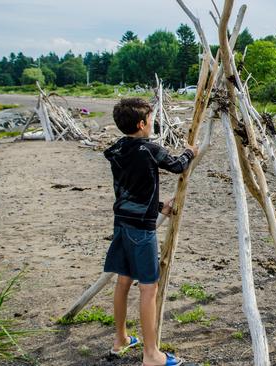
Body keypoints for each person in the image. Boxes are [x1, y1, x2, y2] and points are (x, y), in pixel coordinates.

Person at [103, 97, 197, 366]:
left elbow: (131, 189)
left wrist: (157, 206)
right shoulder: (149, 149)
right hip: (140, 230)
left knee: (123, 281)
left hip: (121, 221)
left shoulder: (118, 148)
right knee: (148, 288)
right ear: (142, 123)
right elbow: (178, 165)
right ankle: (151, 354)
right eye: (151, 119)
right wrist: (191, 151)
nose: (153, 123)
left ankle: (121, 339)